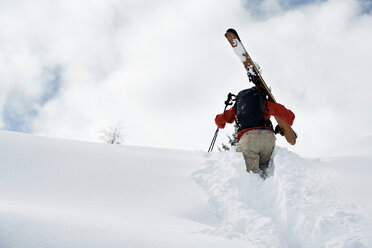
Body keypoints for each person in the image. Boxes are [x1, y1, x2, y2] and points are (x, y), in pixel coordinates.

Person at [215, 86, 295, 178]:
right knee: (266, 173)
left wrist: (220, 124)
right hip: (267, 139)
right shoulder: (264, 104)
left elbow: (219, 120)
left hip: (248, 140)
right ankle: (268, 186)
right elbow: (290, 117)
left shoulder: (238, 106)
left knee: (250, 177)